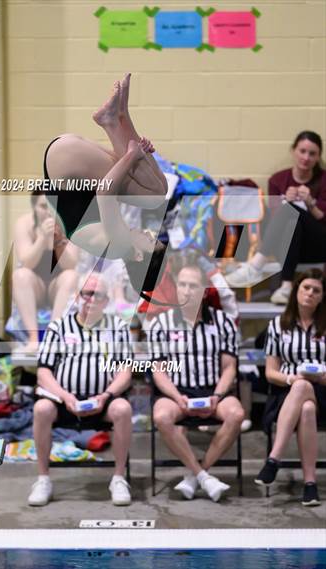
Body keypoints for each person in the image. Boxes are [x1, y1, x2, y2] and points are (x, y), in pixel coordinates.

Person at [42, 73, 169, 300]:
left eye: (151, 241)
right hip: (66, 161)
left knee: (154, 195)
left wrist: (131, 155)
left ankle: (114, 120)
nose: (149, 233)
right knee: (158, 188)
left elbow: (105, 192)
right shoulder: (118, 245)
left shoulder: (121, 246)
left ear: (139, 256)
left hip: (64, 163)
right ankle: (119, 116)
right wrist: (136, 155)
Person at [28, 273, 133, 507]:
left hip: (103, 401)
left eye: (98, 295)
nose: (91, 299)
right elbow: (43, 372)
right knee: (41, 408)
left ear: (106, 301)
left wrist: (105, 395)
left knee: (123, 408)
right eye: (87, 293)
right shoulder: (58, 327)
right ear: (77, 297)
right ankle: (43, 479)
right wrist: (65, 396)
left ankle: (118, 478)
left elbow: (125, 372)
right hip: (63, 401)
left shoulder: (118, 327)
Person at [148, 263, 244, 502]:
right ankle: (204, 476)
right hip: (175, 392)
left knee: (236, 414)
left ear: (203, 291)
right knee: (161, 416)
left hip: (213, 389)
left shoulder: (222, 322)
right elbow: (159, 371)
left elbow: (229, 367)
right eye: (182, 284)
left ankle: (195, 475)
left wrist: (218, 396)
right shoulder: (161, 324)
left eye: (193, 285)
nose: (187, 290)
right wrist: (176, 397)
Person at [226, 131, 326, 304]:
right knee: (291, 222)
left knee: (290, 210)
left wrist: (310, 203)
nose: (306, 157)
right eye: (302, 151)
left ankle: (256, 265)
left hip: (318, 245)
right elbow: (274, 222)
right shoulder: (278, 180)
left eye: (312, 154)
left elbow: (323, 220)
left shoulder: (324, 179)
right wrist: (284, 201)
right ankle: (286, 287)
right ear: (293, 151)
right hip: (287, 246)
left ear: (318, 157)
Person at [254, 268, 326, 506]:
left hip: (323, 391)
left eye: (316, 290)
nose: (310, 293)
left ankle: (274, 459)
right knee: (304, 405)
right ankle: (310, 485)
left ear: (322, 296)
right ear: (296, 290)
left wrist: (322, 377)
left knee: (305, 388)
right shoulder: (278, 325)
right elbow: (271, 372)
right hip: (285, 391)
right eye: (306, 288)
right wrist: (291, 379)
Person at [12, 193, 79, 353]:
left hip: (58, 286)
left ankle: (52, 337)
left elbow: (71, 264)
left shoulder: (69, 223)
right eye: (43, 206)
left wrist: (58, 242)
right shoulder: (24, 224)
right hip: (37, 287)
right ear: (34, 207)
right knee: (20, 275)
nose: (49, 212)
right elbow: (27, 262)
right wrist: (42, 238)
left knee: (71, 276)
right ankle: (34, 339)